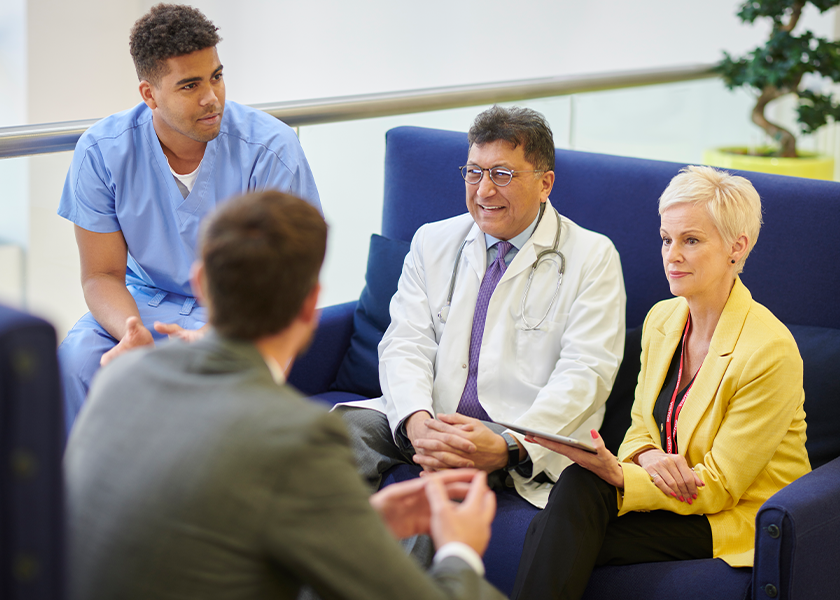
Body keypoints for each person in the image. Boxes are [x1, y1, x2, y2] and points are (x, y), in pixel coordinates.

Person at [64, 190, 506, 600]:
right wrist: (460, 550)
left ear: (201, 283)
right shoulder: (299, 437)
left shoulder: (120, 377)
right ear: (310, 305)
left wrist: (367, 522)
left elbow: (201, 534)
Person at [510, 166, 811, 600]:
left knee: (560, 528)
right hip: (675, 496)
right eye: (666, 239)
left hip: (735, 514)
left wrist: (622, 475)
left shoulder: (770, 350)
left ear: (736, 247)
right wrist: (648, 456)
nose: (672, 254)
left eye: (691, 240)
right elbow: (639, 427)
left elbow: (722, 485)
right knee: (574, 495)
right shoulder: (662, 319)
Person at [337, 105, 626, 510]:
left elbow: (586, 373)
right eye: (474, 172)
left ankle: (400, 571)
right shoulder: (432, 241)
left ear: (545, 183)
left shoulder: (592, 256)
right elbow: (405, 342)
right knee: (339, 435)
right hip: (429, 414)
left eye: (502, 174)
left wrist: (508, 444)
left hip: (514, 429)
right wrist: (418, 422)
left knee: (443, 484)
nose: (484, 191)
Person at [56, 3, 320, 436]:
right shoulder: (102, 151)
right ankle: (82, 502)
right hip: (140, 303)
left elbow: (287, 284)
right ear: (149, 95)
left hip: (237, 310)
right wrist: (131, 331)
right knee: (77, 363)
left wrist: (224, 337)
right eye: (189, 85)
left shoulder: (270, 151)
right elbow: (101, 274)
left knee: (205, 388)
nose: (211, 97)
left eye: (216, 76)